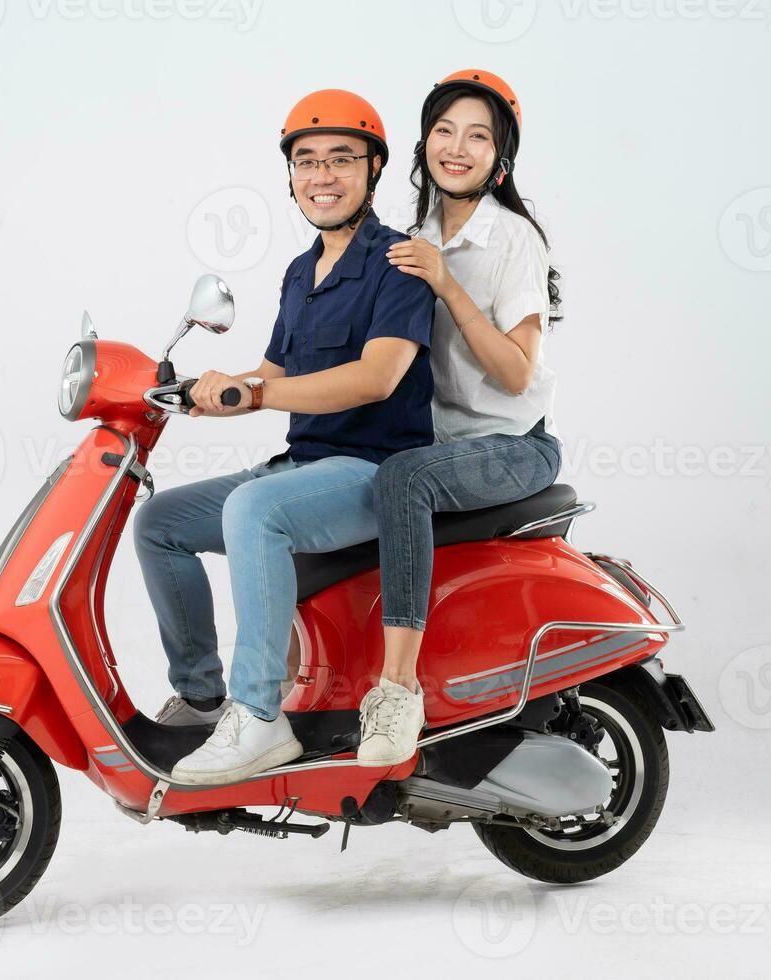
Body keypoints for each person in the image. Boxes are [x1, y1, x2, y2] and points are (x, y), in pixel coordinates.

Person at [132, 89, 435, 785]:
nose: (322, 175)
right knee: (159, 522)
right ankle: (206, 699)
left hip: (372, 471)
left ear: (374, 170)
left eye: (341, 160)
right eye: (307, 161)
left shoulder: (399, 263)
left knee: (252, 510)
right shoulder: (301, 272)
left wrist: (260, 392)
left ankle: (259, 717)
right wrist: (208, 394)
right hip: (301, 464)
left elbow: (377, 379)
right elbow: (273, 372)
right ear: (290, 175)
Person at [355, 69, 565, 766]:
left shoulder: (513, 242)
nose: (457, 146)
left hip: (512, 445)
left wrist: (446, 282)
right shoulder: (411, 236)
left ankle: (396, 690)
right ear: (423, 144)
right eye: (444, 130)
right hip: (441, 441)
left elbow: (515, 373)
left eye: (477, 136)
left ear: (499, 160)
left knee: (403, 480)